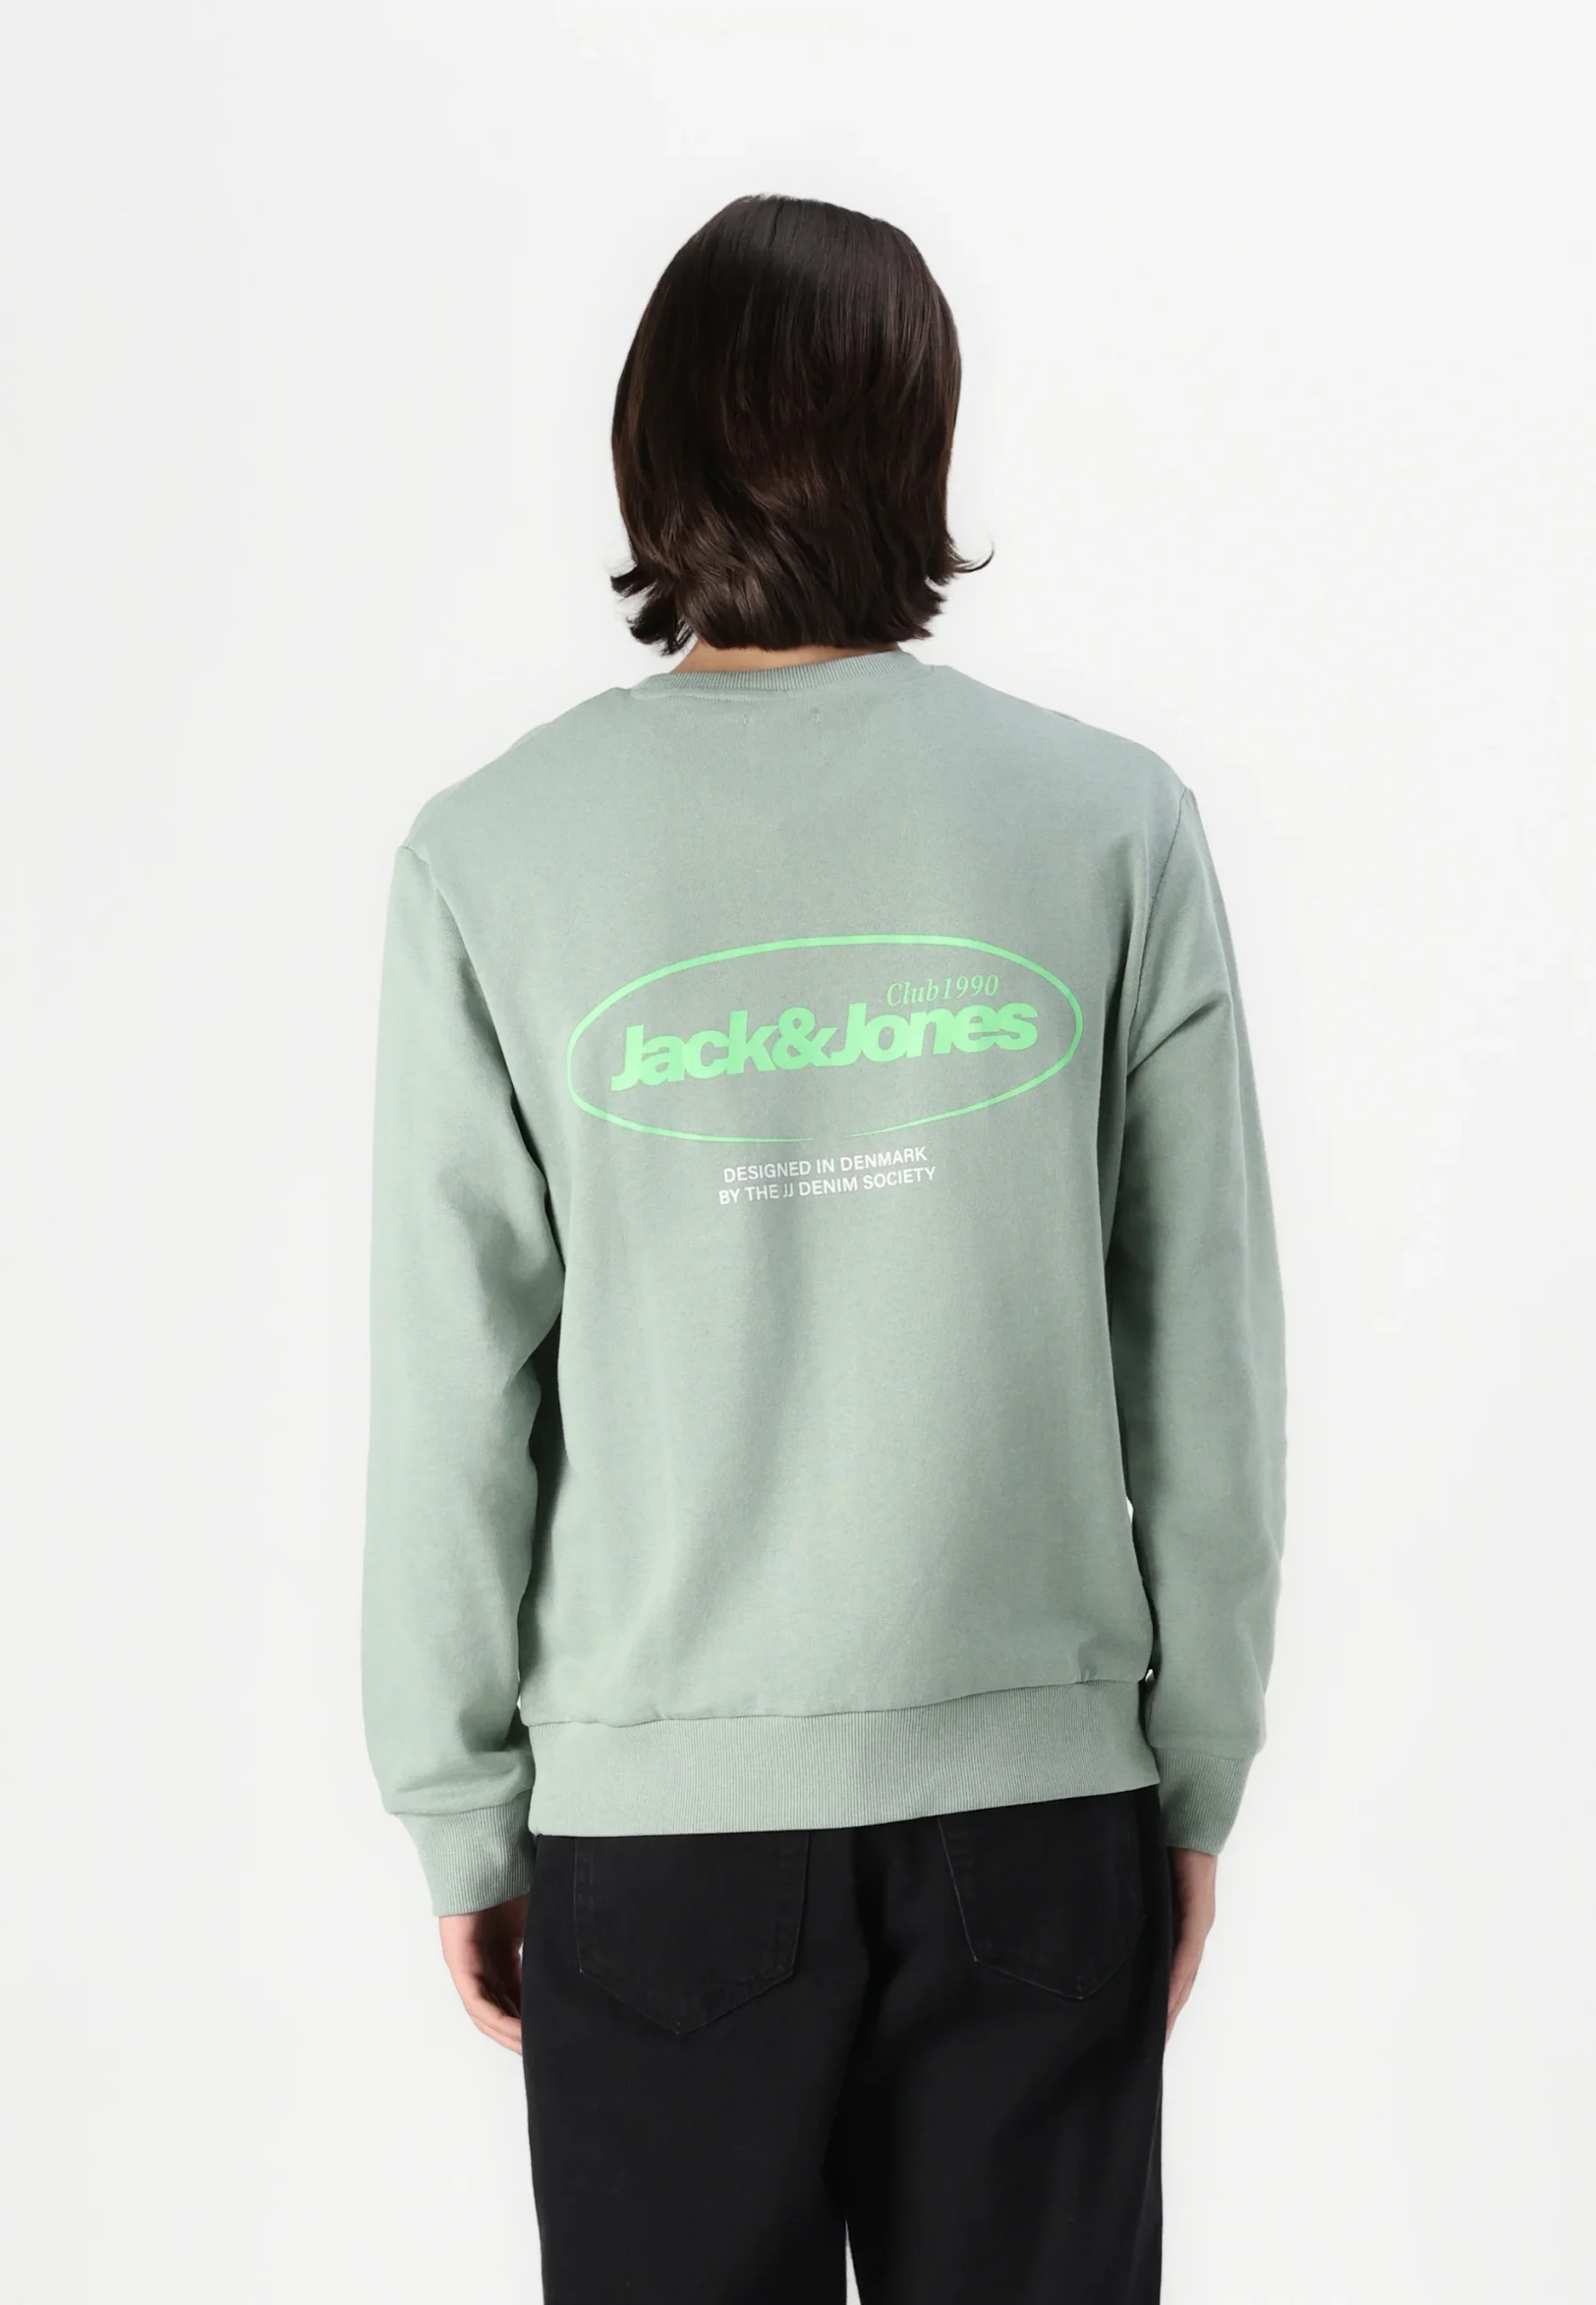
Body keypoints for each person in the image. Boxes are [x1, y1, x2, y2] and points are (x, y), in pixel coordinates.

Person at [362, 191, 1286, 2305]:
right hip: (1042, 1811)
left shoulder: (494, 853)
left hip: (655, 1834)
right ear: (919, 436)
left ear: (650, 439)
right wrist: (1194, 1767)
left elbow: (451, 1386)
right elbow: (1204, 1357)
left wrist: (460, 1802)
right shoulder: (1106, 820)